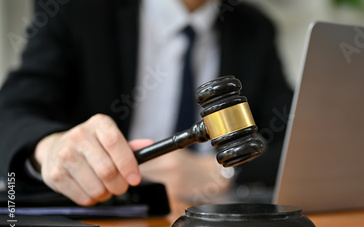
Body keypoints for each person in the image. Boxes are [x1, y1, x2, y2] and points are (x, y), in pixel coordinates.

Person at [0, 0, 293, 206]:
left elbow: (296, 138)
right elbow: (10, 113)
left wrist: (222, 173)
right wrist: (49, 148)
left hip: (213, 223)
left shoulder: (255, 29)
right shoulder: (76, 8)